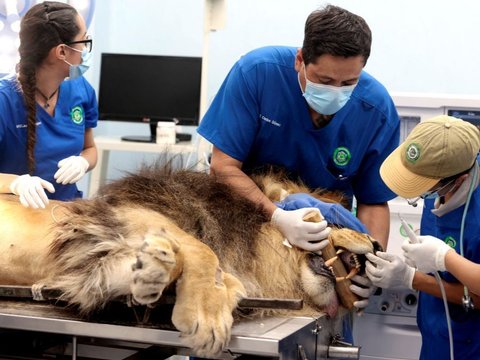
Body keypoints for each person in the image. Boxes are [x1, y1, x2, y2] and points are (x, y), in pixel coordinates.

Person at [197, 5, 399, 252]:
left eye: (348, 83)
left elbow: (374, 202)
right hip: (247, 219)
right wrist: (277, 217)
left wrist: (373, 259)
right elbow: (223, 168)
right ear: (300, 60)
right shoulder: (257, 74)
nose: (335, 91)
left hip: (325, 234)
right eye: (325, 81)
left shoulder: (376, 111)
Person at [365, 115, 480, 359]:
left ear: (459, 179)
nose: (420, 194)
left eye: (424, 187)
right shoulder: (440, 187)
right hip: (436, 338)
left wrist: (415, 275)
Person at [0, 1, 98, 209]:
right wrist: (15, 183)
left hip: (67, 213)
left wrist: (83, 162)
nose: (86, 49)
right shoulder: (4, 101)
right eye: (84, 41)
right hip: (13, 219)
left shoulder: (82, 90)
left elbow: (90, 149)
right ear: (62, 51)